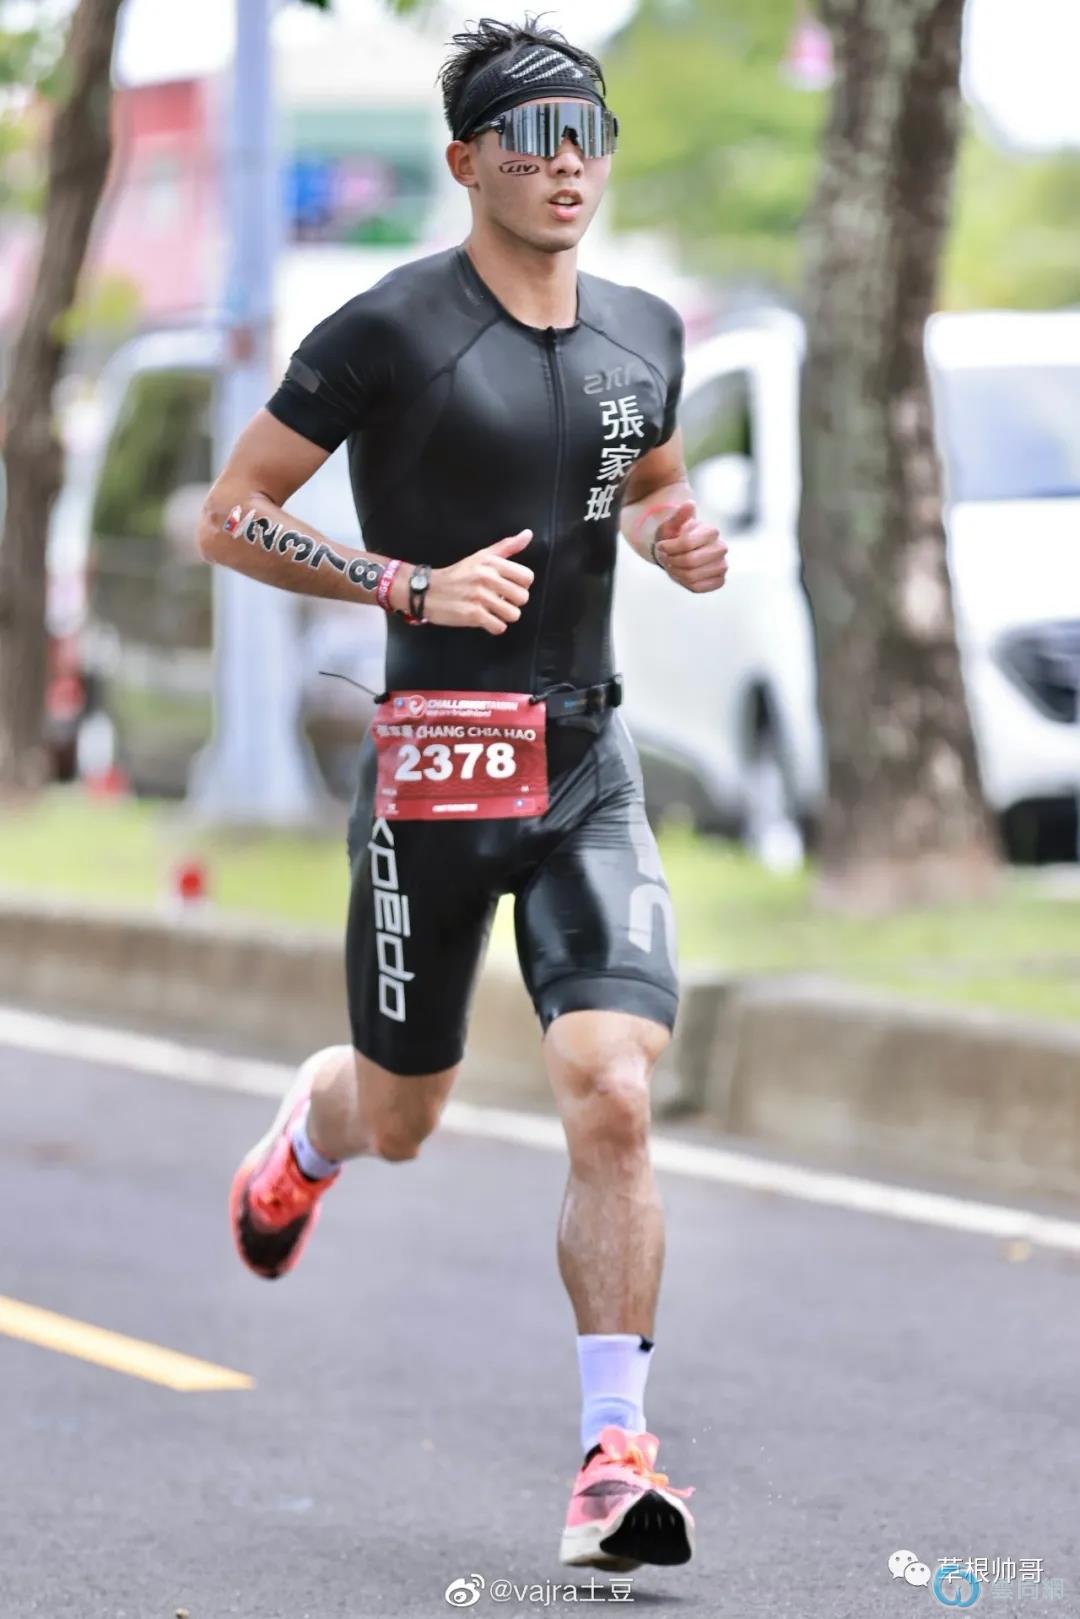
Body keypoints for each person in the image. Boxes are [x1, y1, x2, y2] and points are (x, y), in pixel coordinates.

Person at [198, 14, 728, 1573]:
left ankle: (614, 1457)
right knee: (405, 1115)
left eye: (587, 138)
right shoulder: (388, 328)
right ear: (466, 162)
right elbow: (231, 512)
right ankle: (313, 1134)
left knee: (612, 1087)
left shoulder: (645, 330)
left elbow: (646, 482)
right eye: (531, 140)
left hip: (585, 761)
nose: (567, 167)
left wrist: (679, 537)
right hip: (432, 765)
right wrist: (405, 582)